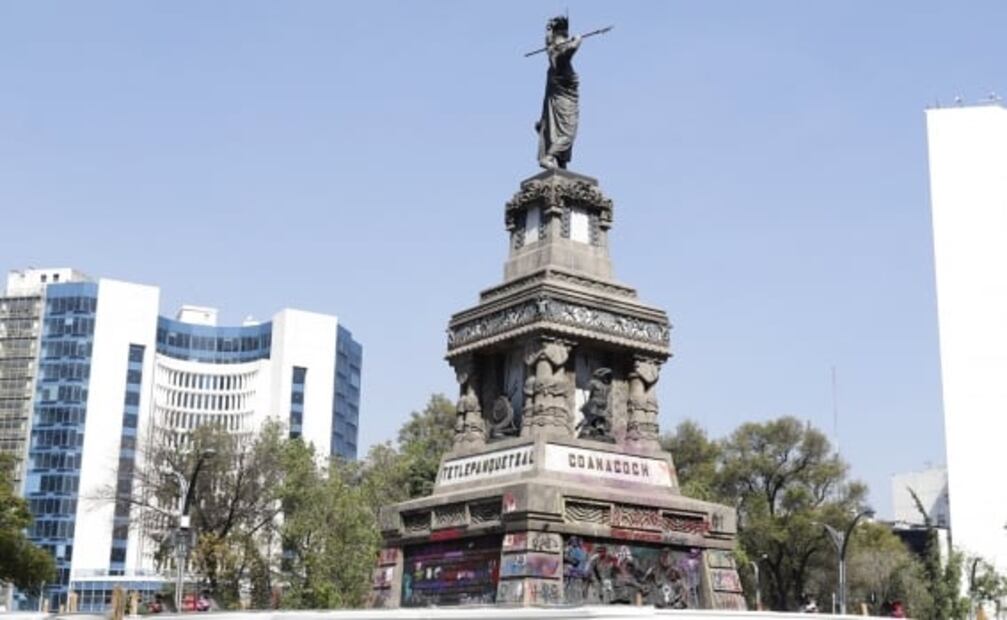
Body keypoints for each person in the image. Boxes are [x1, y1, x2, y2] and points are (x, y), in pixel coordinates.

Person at [536, 16, 581, 169]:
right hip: (565, 103)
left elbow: (553, 45)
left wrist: (551, 32)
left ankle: (561, 162)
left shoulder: (552, 58)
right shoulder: (559, 59)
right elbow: (568, 51)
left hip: (559, 101)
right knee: (568, 132)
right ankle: (549, 157)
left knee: (558, 128)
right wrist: (577, 41)